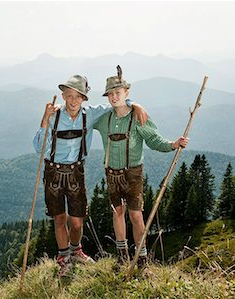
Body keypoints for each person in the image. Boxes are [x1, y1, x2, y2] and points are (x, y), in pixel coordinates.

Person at [33, 74, 148, 276]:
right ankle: (64, 259)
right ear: (63, 96)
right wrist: (44, 120)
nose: (74, 100)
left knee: (76, 222)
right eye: (70, 96)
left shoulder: (91, 114)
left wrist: (134, 104)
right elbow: (38, 148)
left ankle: (76, 250)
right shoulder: (55, 116)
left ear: (84, 98)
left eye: (78, 96)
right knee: (60, 219)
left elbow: (117, 104)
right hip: (53, 172)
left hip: (76, 172)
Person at [93, 66, 189, 267]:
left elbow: (154, 140)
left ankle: (142, 257)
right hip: (111, 172)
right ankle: (122, 255)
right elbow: (82, 117)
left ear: (126, 93)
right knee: (117, 212)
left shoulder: (138, 118)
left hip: (133, 173)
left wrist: (173, 144)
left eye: (118, 93)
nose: (113, 97)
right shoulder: (103, 119)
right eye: (110, 94)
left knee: (136, 215)